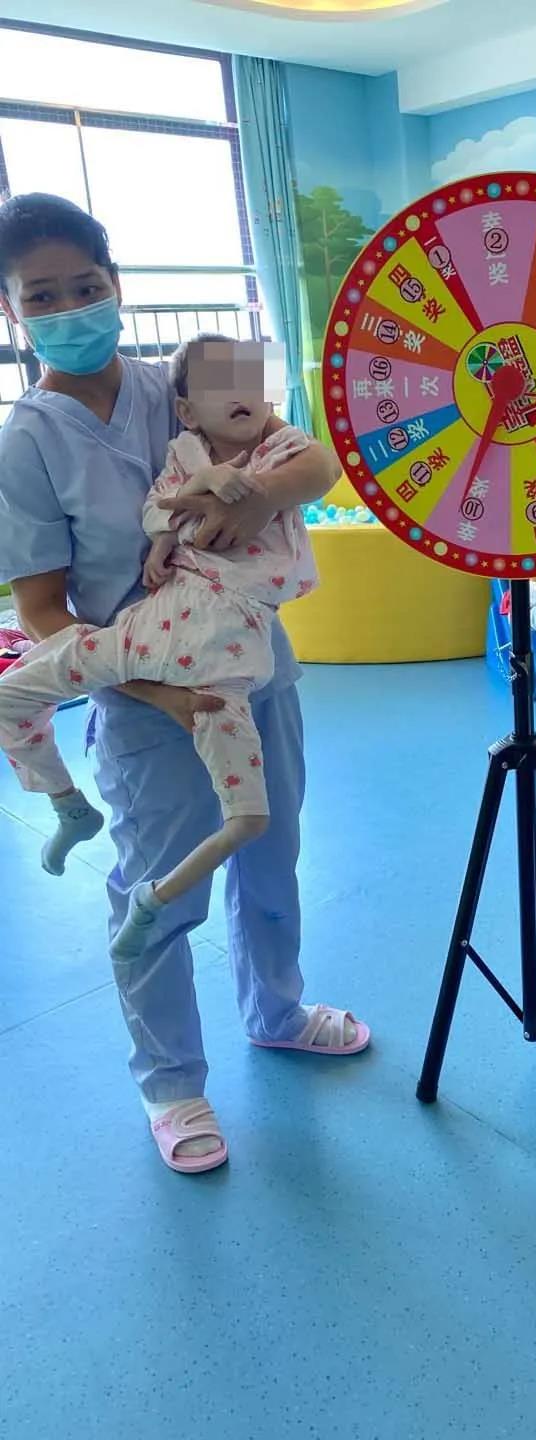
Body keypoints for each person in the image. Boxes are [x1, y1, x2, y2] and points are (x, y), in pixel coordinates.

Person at [0, 193, 367, 1175]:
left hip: (253, 664)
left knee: (271, 851)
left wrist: (261, 494)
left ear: (116, 284)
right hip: (144, 697)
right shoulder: (26, 441)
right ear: (12, 310)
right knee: (161, 887)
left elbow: (315, 461)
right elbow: (42, 612)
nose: (71, 307)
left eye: (87, 285)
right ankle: (171, 1082)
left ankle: (278, 1011)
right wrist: (158, 694)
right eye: (43, 295)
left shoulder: (186, 380)